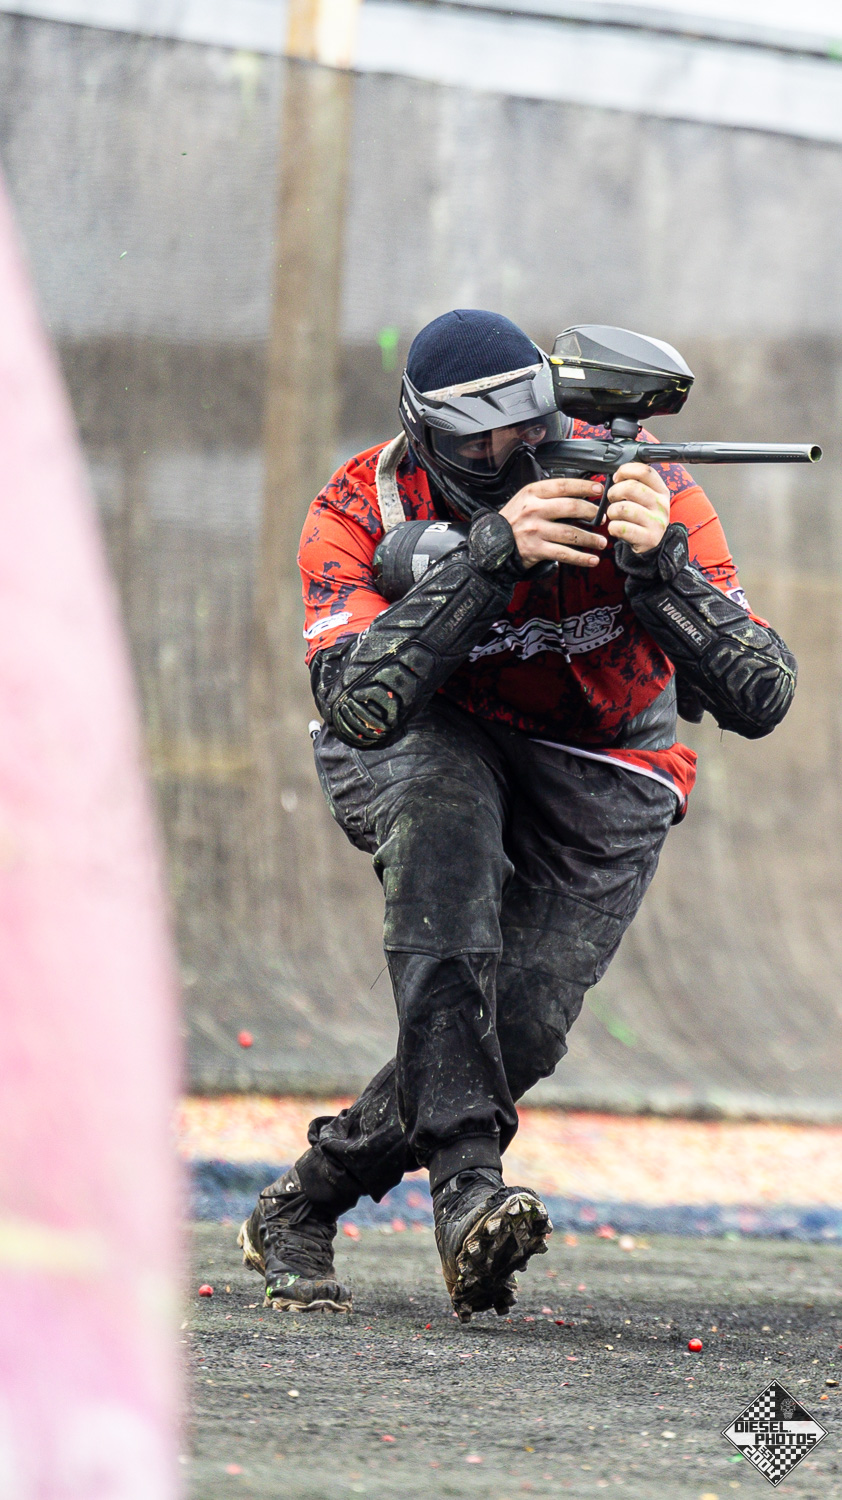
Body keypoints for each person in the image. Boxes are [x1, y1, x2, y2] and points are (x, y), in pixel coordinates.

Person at [238, 309, 796, 1321]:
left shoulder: (640, 483)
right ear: (422, 437)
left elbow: (762, 696)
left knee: (522, 1029)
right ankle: (467, 1191)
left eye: (526, 430)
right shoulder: (355, 510)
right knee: (442, 831)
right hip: (435, 731)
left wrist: (661, 572)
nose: (511, 458)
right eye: (477, 444)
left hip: (608, 756)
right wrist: (487, 559)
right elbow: (359, 705)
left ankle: (305, 1200)